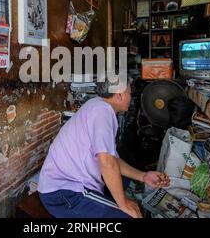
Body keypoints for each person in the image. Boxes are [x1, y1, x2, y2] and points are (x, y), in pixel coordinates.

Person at [38, 78, 170, 218]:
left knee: (124, 182)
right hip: (64, 193)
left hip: (64, 187)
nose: (130, 98)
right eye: (129, 93)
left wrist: (143, 176)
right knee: (129, 215)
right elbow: (107, 162)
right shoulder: (103, 111)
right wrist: (123, 204)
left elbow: (112, 160)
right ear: (119, 95)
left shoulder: (97, 105)